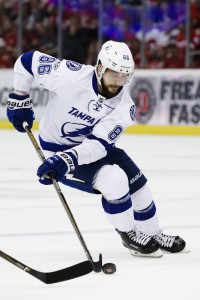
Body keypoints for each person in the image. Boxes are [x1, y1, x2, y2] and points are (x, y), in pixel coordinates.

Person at [7, 40, 188, 258]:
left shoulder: (124, 107)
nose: (119, 81)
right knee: (115, 180)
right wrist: (19, 96)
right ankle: (129, 234)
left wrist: (69, 159)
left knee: (139, 186)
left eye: (125, 76)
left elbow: (98, 145)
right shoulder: (69, 76)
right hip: (56, 151)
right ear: (100, 67)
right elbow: (27, 61)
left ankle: (152, 233)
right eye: (114, 74)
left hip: (91, 147)